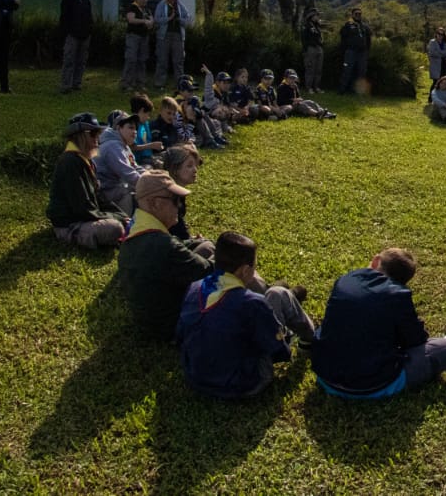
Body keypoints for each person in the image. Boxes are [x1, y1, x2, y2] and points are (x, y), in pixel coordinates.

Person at [176, 231, 317, 399]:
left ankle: (287, 294)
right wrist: (284, 340)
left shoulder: (194, 288)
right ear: (244, 270)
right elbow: (277, 350)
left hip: (196, 377)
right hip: (244, 384)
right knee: (278, 294)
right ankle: (311, 338)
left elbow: (181, 334)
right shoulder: (252, 303)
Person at [312, 247, 446, 399]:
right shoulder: (399, 296)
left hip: (325, 375)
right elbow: (415, 340)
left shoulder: (345, 280)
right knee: (444, 348)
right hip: (374, 384)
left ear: (375, 261)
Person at [117, 170, 214, 341]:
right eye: (175, 200)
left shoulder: (136, 230)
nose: (179, 206)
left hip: (151, 320)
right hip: (174, 326)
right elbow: (207, 270)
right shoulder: (162, 245)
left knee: (205, 246)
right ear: (154, 203)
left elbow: (178, 247)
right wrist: (226, 253)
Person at [46, 112, 127, 248]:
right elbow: (83, 208)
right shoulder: (70, 162)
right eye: (93, 134)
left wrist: (121, 215)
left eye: (98, 134)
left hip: (85, 217)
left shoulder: (86, 161)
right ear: (80, 136)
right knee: (114, 228)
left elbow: (99, 196)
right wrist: (115, 218)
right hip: (71, 224)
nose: (97, 139)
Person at [161, 143, 216, 258]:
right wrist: (190, 240)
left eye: (195, 165)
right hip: (165, 252)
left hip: (172, 243)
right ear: (175, 169)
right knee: (210, 248)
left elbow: (179, 229)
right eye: (189, 166)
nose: (195, 170)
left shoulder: (176, 191)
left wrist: (190, 239)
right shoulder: (168, 196)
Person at [94, 110, 146, 215]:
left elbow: (135, 167)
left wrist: (151, 176)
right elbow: (128, 174)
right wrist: (150, 184)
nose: (135, 131)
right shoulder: (113, 146)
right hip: (105, 192)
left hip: (115, 189)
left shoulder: (123, 145)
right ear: (118, 128)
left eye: (136, 128)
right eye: (130, 127)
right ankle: (127, 226)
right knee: (130, 192)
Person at [153, 0, 193, 90]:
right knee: (162, 60)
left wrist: (181, 20)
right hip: (164, 36)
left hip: (178, 36)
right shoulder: (161, 4)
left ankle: (180, 84)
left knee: (178, 61)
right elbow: (157, 19)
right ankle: (159, 83)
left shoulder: (180, 5)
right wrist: (169, 18)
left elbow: (188, 19)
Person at [58, 0, 93, 94]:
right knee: (69, 60)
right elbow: (63, 19)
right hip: (72, 35)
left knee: (81, 61)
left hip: (84, 35)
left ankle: (77, 83)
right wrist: (67, 33)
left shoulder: (86, 1)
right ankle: (66, 85)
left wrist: (89, 31)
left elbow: (90, 17)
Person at [121, 0, 154, 91]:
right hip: (133, 37)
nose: (146, 0)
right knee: (131, 59)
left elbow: (151, 21)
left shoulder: (147, 10)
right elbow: (131, 19)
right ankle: (127, 83)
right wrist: (144, 21)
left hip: (144, 37)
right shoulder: (132, 7)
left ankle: (140, 83)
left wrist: (150, 23)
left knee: (142, 60)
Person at [339, 7, 371, 95]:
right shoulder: (348, 25)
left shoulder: (364, 26)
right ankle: (343, 90)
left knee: (361, 72)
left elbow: (368, 39)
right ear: (352, 15)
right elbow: (343, 38)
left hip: (362, 53)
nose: (358, 15)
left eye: (360, 14)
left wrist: (367, 51)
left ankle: (358, 91)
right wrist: (343, 50)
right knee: (347, 71)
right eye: (356, 14)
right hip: (351, 51)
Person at [300, 7, 324, 94]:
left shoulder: (317, 25)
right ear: (312, 16)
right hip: (310, 48)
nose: (318, 16)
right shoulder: (306, 25)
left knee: (318, 69)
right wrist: (305, 50)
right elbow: (303, 39)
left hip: (319, 48)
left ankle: (316, 87)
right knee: (310, 68)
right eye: (317, 15)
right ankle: (309, 87)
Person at [425, 26, 446, 97]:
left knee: (445, 82)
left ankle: (443, 97)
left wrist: (439, 52)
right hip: (435, 65)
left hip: (444, 64)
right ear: (436, 34)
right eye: (438, 33)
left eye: (442, 34)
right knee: (436, 82)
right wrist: (442, 53)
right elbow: (432, 53)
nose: (440, 35)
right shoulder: (432, 42)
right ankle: (430, 98)